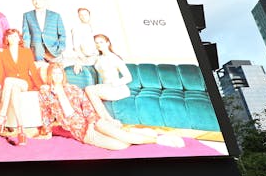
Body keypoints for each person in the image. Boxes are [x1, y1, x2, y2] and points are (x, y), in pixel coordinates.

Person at [39, 64, 184, 150]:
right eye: (54, 73)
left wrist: (91, 123)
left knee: (124, 137)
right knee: (121, 145)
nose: (57, 76)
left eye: (59, 73)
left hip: (93, 122)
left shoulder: (72, 88)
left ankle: (160, 140)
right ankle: (139, 132)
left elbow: (87, 106)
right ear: (50, 75)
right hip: (81, 132)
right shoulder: (45, 92)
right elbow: (45, 113)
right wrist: (46, 131)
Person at [0, 29, 48, 146]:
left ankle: (1, 116)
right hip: (11, 86)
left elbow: (33, 71)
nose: (13, 39)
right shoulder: (2, 54)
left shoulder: (26, 52)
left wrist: (41, 85)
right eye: (10, 37)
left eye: (15, 36)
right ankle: (21, 130)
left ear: (19, 38)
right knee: (13, 89)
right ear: (6, 39)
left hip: (25, 83)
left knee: (8, 80)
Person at [83, 34, 132, 126]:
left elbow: (128, 77)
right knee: (88, 90)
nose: (98, 44)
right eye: (96, 43)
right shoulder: (98, 58)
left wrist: (114, 83)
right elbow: (85, 61)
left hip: (116, 88)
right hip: (105, 86)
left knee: (89, 90)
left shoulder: (114, 58)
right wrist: (78, 63)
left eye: (101, 42)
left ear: (107, 43)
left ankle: (106, 120)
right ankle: (108, 120)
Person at [22, 0, 66, 64]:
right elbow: (26, 35)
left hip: (54, 52)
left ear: (44, 0)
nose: (36, 2)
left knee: (55, 73)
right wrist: (27, 52)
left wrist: (61, 48)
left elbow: (62, 34)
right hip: (36, 52)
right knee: (39, 74)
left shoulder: (55, 16)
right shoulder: (27, 15)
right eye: (34, 0)